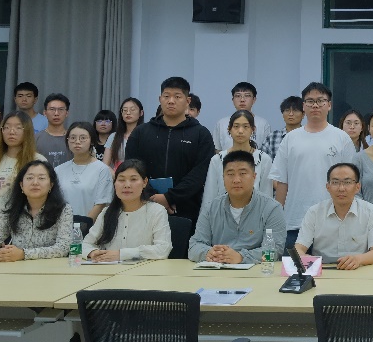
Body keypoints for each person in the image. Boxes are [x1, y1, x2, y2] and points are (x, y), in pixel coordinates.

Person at [271, 82, 356, 249]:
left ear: (329, 105)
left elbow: (350, 182)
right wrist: (278, 219)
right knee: (292, 266)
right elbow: (282, 182)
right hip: (294, 221)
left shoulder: (342, 138)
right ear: (303, 106)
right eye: (310, 101)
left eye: (320, 100)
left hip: (333, 221)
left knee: (332, 266)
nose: (315, 105)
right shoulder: (290, 139)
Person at [125, 77, 215, 229]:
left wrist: (170, 197)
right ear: (160, 99)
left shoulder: (201, 134)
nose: (171, 101)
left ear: (187, 101)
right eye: (166, 96)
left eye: (177, 96)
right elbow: (132, 166)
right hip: (144, 204)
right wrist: (152, 196)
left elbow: (200, 172)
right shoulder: (141, 132)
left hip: (186, 208)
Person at [189, 150, 287, 264]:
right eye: (230, 174)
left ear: (254, 176)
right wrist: (209, 253)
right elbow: (194, 247)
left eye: (242, 173)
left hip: (256, 272)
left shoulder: (272, 208)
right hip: (218, 272)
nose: (236, 180)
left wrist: (241, 257)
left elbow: (275, 252)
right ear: (223, 178)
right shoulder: (211, 208)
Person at [0, 160, 74, 261]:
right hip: (18, 268)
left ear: (51, 185)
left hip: (50, 268)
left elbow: (64, 248)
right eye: (29, 178)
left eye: (41, 178)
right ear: (21, 185)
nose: (35, 182)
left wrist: (24, 254)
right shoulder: (13, 210)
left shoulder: (64, 210)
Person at [295, 162, 373, 269]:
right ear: (328, 187)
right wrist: (304, 258)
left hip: (357, 269)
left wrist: (358, 259)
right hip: (323, 270)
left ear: (357, 187)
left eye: (347, 182)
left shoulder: (371, 212)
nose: (341, 188)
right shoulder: (314, 212)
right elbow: (299, 248)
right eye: (335, 182)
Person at [83, 159, 173, 262]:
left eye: (133, 179)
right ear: (115, 183)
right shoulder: (107, 212)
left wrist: (122, 254)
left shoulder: (157, 211)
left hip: (144, 270)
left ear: (144, 182)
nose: (127, 185)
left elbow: (163, 249)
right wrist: (93, 252)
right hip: (109, 269)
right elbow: (85, 244)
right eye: (121, 180)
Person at [0, 111, 45, 233]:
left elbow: (41, 198)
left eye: (18, 128)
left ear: (27, 131)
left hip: (23, 230)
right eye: (7, 127)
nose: (11, 132)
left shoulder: (38, 161)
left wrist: (5, 224)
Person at [202, 110, 273, 210]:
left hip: (254, 215)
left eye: (245, 126)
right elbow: (209, 196)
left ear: (253, 129)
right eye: (236, 126)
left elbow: (267, 196)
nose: (240, 131)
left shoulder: (264, 159)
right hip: (222, 215)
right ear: (229, 129)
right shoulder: (217, 160)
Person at [54, 122, 113, 221]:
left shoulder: (102, 170)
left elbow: (101, 203)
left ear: (92, 141)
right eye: (73, 138)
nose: (77, 142)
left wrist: (84, 224)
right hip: (62, 225)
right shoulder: (59, 170)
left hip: (90, 226)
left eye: (83, 138)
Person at [213, 82, 272, 153]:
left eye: (247, 96)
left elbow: (266, 151)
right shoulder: (221, 123)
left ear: (254, 100)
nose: (242, 100)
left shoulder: (263, 124)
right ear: (233, 100)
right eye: (238, 96)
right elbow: (217, 150)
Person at [104, 98, 144, 169]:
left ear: (141, 113)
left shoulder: (146, 136)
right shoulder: (114, 136)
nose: (128, 113)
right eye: (125, 110)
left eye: (132, 109)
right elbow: (105, 164)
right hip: (116, 174)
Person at [33, 94, 71, 166]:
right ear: (45, 113)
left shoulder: (73, 139)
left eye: (61, 109)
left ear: (67, 113)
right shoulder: (35, 139)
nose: (56, 113)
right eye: (52, 109)